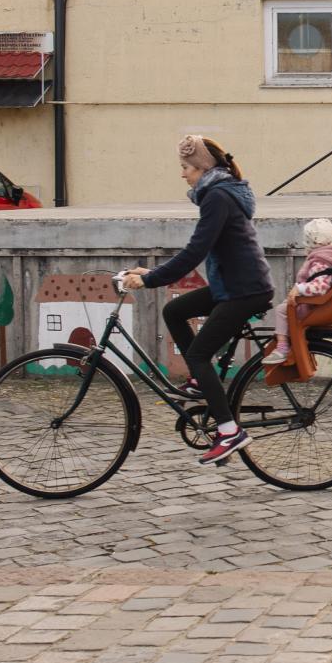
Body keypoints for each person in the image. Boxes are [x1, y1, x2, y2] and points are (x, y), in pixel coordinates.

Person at [122, 136, 273, 465]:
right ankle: (202, 384)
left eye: (186, 167)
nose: (182, 174)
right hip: (233, 286)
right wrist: (154, 272)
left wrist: (150, 279)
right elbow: (199, 251)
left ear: (203, 168)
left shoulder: (218, 197)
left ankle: (230, 430)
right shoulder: (219, 193)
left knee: (201, 355)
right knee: (175, 310)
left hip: (244, 291)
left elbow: (195, 251)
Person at [266, 218, 332, 365]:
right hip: (317, 306)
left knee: (281, 310)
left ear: (315, 241)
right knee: (286, 306)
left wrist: (299, 288)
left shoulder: (320, 261)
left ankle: (282, 348)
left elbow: (320, 287)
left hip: (312, 308)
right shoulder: (330, 255)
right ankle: (285, 341)